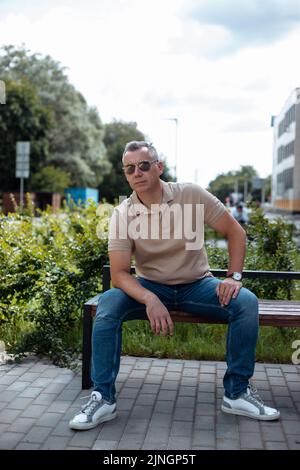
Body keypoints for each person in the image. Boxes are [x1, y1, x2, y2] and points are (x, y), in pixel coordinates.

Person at [69, 141, 280, 430]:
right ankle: (103, 398)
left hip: (198, 285)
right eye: (130, 168)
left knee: (246, 303)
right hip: (150, 287)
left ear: (159, 167)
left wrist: (234, 277)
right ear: (126, 174)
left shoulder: (190, 195)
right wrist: (149, 298)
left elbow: (236, 232)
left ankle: (237, 393)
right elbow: (119, 274)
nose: (137, 172)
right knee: (107, 304)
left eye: (144, 165)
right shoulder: (123, 213)